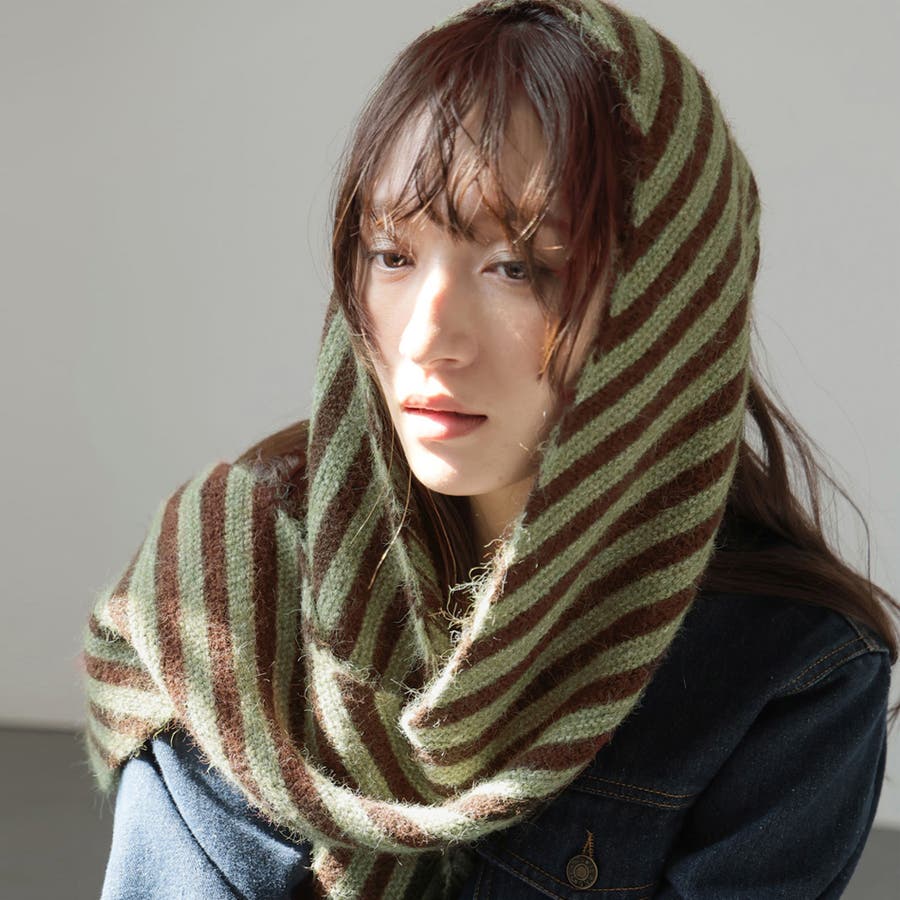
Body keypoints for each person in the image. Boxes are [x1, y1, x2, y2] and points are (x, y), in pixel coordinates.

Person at [82, 1, 898, 898]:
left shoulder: (789, 679)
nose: (427, 338)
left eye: (517, 267)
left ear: (663, 307)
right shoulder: (234, 585)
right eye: (391, 255)